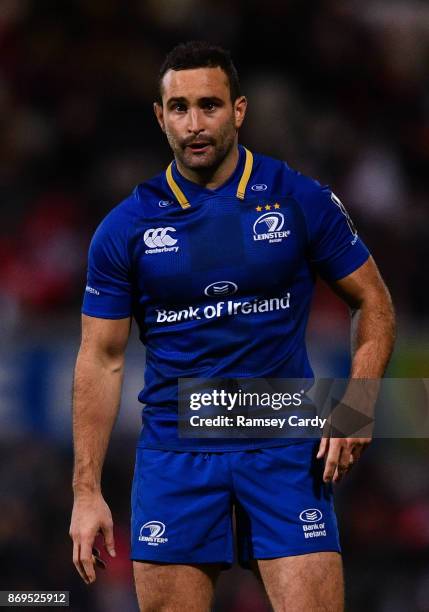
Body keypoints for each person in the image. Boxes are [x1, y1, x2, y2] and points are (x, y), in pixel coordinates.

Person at [69, 41, 395, 611]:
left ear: (238, 110)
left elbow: (374, 303)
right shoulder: (126, 228)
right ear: (159, 116)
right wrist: (86, 491)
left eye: (209, 105)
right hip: (176, 452)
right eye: (179, 108)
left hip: (285, 441)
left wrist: (358, 401)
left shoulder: (299, 201)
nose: (194, 124)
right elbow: (101, 357)